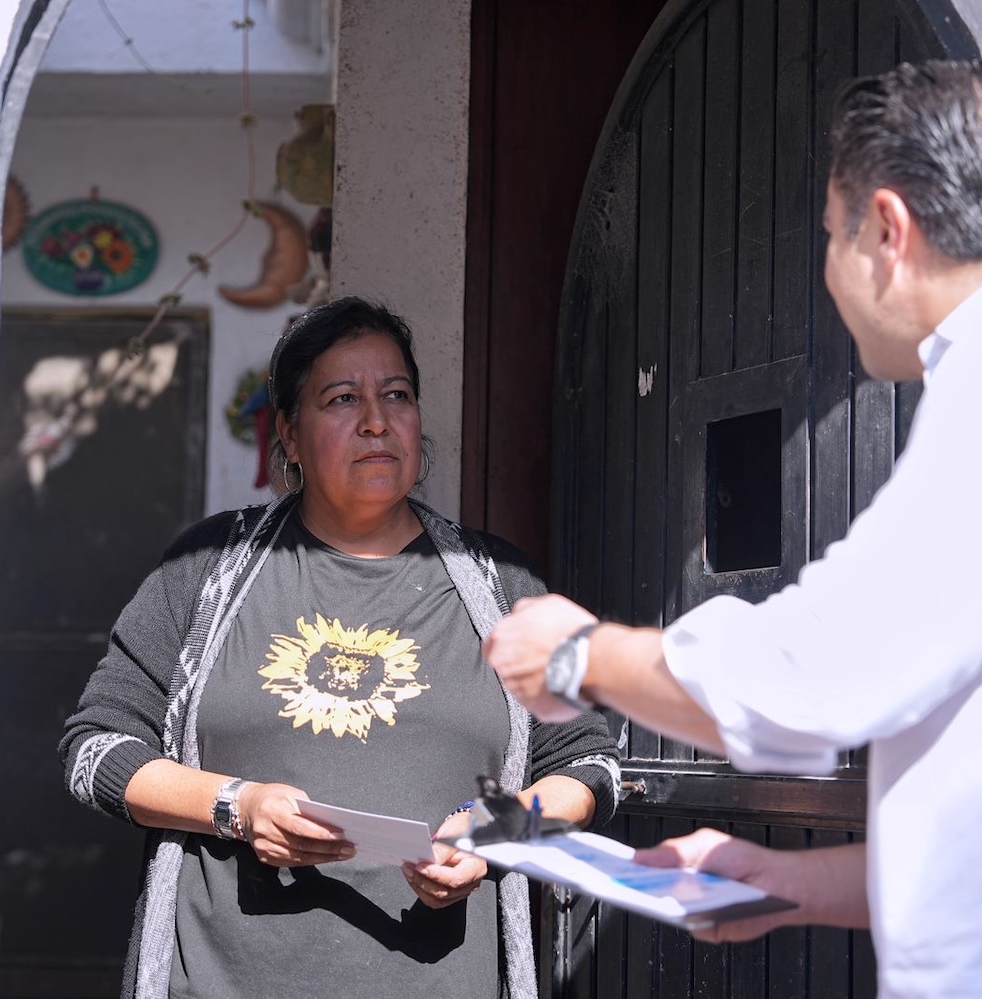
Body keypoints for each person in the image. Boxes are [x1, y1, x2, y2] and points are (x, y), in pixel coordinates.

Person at [483, 59, 982, 997]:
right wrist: (787, 881)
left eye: (832, 236)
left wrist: (581, 656)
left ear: (886, 229)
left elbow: (817, 670)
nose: (830, 272)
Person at [60, 297, 620, 999]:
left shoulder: (501, 586)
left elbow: (591, 766)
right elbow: (94, 750)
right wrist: (236, 805)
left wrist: (495, 830)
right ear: (289, 435)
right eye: (343, 399)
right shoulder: (206, 569)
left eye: (397, 395)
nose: (377, 421)